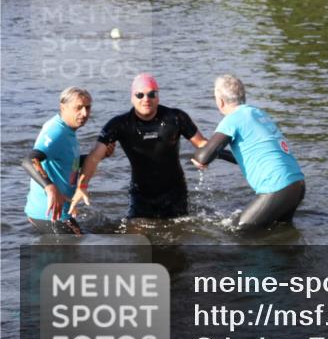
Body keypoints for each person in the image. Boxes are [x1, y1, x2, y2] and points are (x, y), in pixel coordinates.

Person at [72, 74, 223, 220]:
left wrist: (216, 152)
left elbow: (202, 144)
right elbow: (94, 157)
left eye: (151, 94)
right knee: (137, 236)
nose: (146, 99)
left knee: (176, 237)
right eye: (140, 95)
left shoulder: (175, 118)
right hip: (140, 193)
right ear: (132, 98)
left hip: (174, 192)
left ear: (158, 97)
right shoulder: (119, 124)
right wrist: (82, 185)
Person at [193, 75, 305, 231]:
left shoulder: (232, 119)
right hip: (297, 185)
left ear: (220, 101)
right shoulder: (258, 114)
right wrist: (218, 153)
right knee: (281, 234)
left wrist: (203, 153)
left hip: (277, 188)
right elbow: (246, 158)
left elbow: (203, 157)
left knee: (238, 231)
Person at [21, 87, 93, 234]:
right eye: (78, 108)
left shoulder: (68, 131)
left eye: (87, 107)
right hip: (49, 214)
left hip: (57, 212)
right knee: (81, 253)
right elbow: (29, 160)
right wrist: (50, 187)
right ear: (63, 107)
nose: (84, 113)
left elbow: (69, 162)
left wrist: (96, 157)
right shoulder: (57, 131)